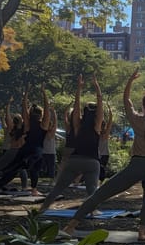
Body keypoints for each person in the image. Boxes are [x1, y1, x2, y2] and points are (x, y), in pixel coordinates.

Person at [62, 67, 145, 241]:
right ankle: (142, 231)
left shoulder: (137, 120)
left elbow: (126, 100)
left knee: (102, 193)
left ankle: (70, 226)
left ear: (144, 106)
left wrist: (130, 81)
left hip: (138, 165)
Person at [40, 74, 104, 212]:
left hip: (74, 160)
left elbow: (76, 108)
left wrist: (79, 89)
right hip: (91, 162)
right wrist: (96, 86)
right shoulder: (96, 126)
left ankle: (42, 209)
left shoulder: (77, 126)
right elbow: (100, 107)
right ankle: (93, 210)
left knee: (58, 188)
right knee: (92, 189)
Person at [0, 87, 51, 196]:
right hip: (36, 151)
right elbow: (47, 110)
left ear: (30, 114)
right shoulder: (43, 124)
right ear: (41, 114)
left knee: (12, 171)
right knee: (34, 170)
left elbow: (24, 109)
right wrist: (44, 94)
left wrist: (25, 96)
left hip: (24, 150)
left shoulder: (27, 123)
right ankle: (34, 189)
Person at [98, 103, 114, 183]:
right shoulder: (96, 133)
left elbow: (110, 123)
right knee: (97, 168)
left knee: (101, 168)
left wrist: (110, 111)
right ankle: (98, 182)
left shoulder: (105, 134)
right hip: (97, 154)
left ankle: (101, 182)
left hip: (104, 154)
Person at [41, 108, 58, 180]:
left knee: (51, 169)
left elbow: (55, 123)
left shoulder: (52, 132)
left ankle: (51, 180)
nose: (49, 127)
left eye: (50, 125)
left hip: (51, 153)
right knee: (42, 169)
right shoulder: (43, 132)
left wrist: (54, 113)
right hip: (44, 152)